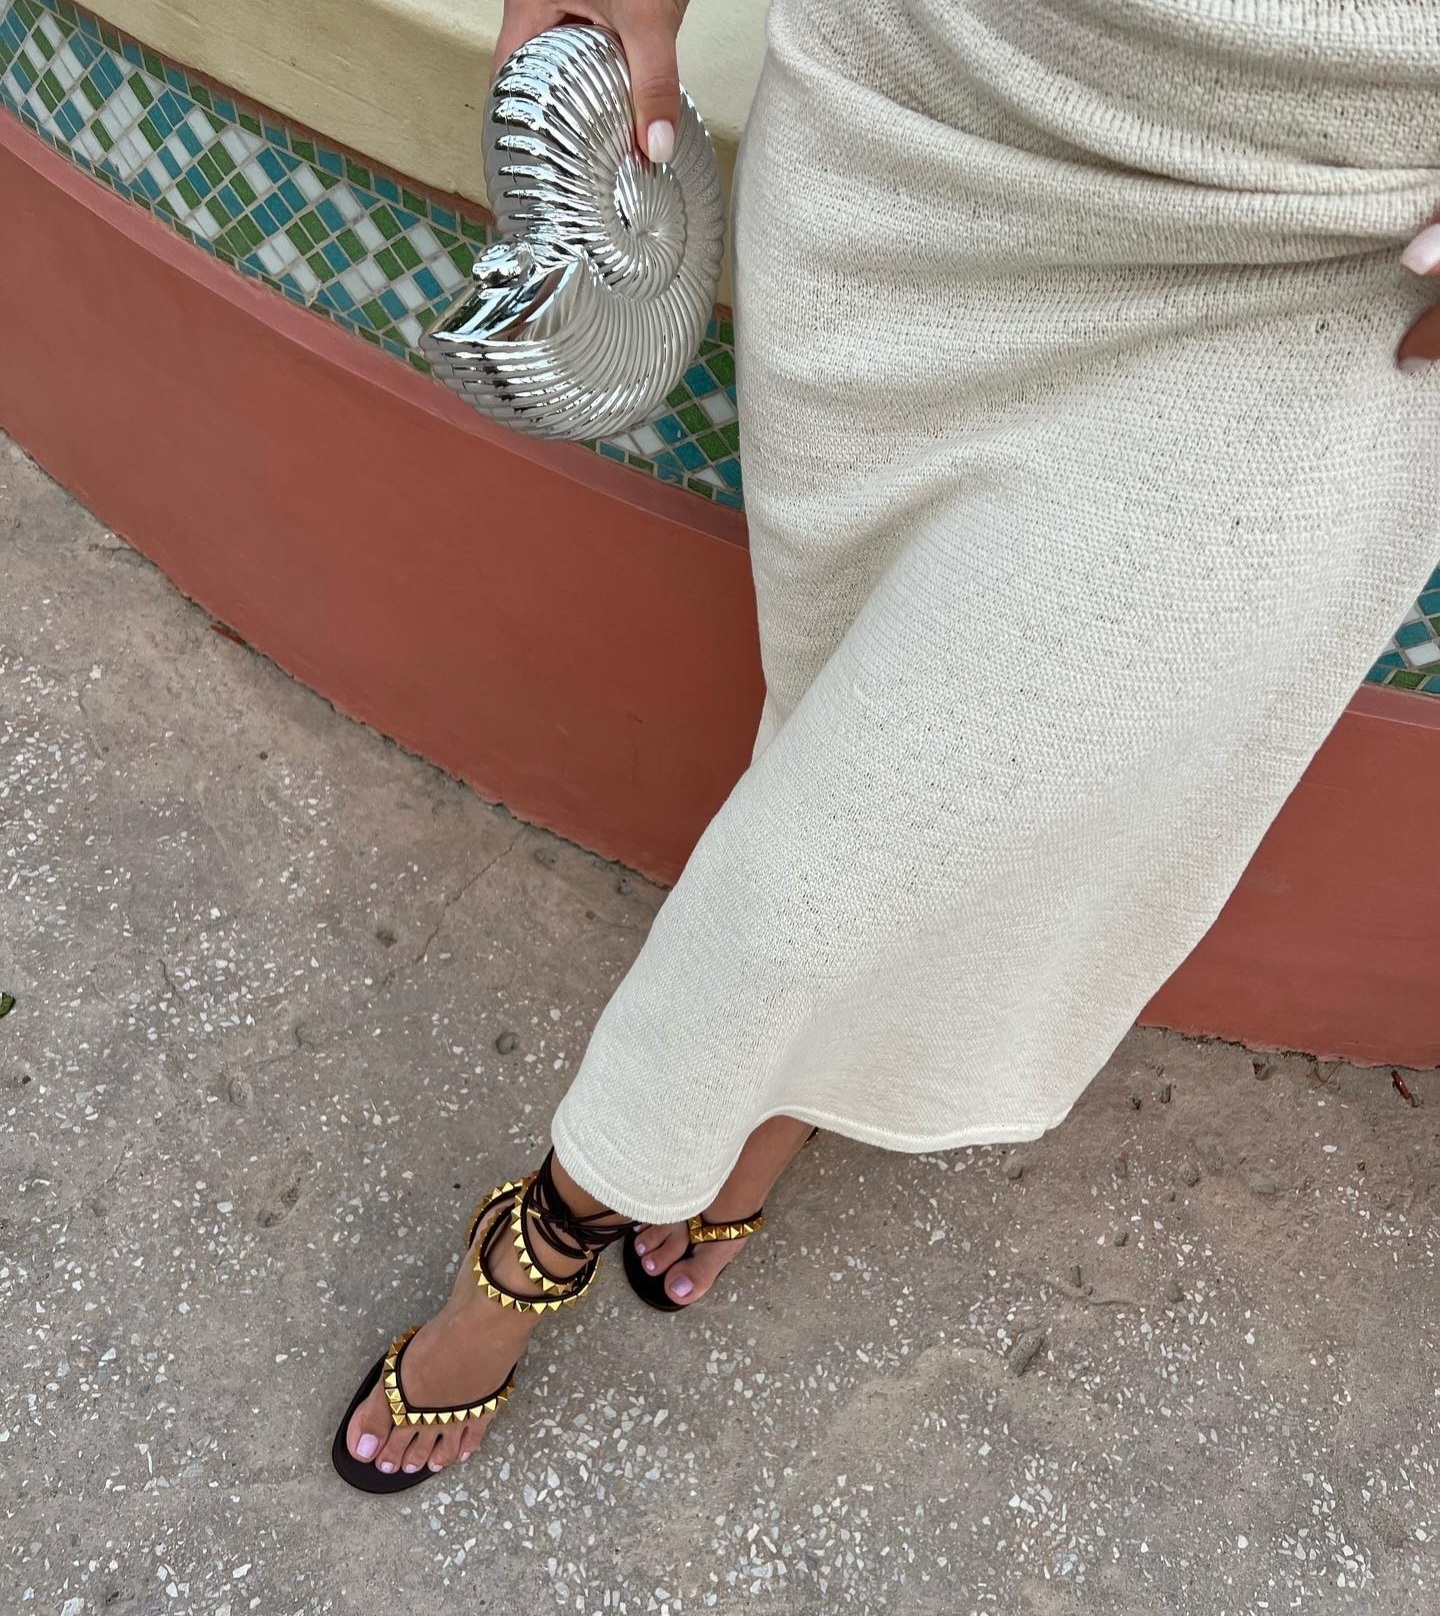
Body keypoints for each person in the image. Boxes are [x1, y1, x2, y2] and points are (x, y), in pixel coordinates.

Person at [332, 0, 1440, 1490]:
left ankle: (540, 1248)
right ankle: (786, 1102)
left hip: (1323, 265)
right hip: (916, 136)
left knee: (813, 889)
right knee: (834, 710)